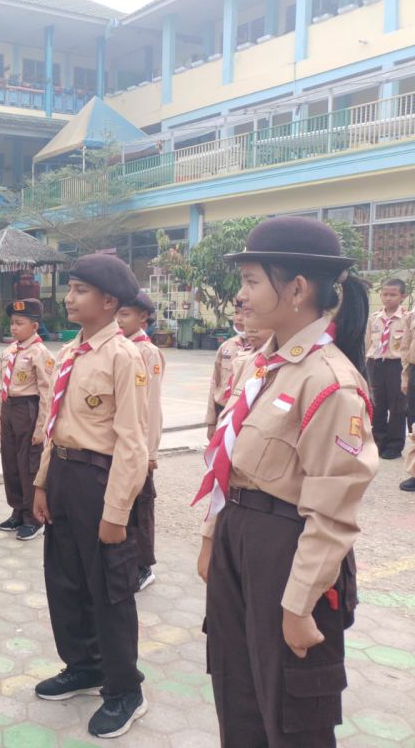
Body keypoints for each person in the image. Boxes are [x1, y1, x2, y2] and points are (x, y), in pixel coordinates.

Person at [193, 216, 377, 748]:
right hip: (240, 534)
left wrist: (299, 604)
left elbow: (332, 510)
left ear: (296, 289)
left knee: (292, 712)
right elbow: (229, 459)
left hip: (288, 551)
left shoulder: (330, 381)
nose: (240, 296)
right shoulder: (260, 365)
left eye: (251, 281)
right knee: (237, 691)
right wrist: (212, 536)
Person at [31, 254, 149, 739]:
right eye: (70, 288)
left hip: (99, 481)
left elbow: (133, 443)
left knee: (109, 589)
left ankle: (125, 689)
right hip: (63, 474)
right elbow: (55, 423)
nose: (69, 297)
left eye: (80, 290)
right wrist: (42, 482)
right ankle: (84, 665)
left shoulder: (124, 356)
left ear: (109, 301)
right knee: (65, 580)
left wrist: (117, 511)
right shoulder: (69, 352)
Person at [116, 291, 164, 592]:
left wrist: (150, 451)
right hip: (119, 442)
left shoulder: (147, 352)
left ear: (142, 317)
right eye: (116, 314)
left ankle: (143, 566)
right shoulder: (119, 348)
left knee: (140, 506)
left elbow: (152, 405)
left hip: (139, 444)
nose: (118, 321)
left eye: (125, 315)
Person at [0, 298, 54, 541]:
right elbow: (3, 387)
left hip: (28, 410)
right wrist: (1, 418)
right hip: (10, 409)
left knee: (28, 464)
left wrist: (42, 427)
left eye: (19, 323)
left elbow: (47, 392)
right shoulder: (10, 351)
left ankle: (34, 518)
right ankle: (18, 510)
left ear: (34, 326)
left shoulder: (40, 353)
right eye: (12, 323)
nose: (14, 328)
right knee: (10, 463)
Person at [365, 278, 408, 459]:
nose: (388, 298)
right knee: (377, 404)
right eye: (384, 294)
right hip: (375, 364)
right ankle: (378, 442)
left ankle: (394, 445)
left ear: (403, 296)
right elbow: (368, 343)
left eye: (393, 295)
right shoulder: (374, 318)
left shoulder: (407, 318)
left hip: (396, 365)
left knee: (397, 405)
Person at [206, 300, 248, 440]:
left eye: (245, 313)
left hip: (244, 418)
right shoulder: (227, 346)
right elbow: (215, 384)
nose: (239, 318)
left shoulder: (263, 349)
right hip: (223, 414)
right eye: (236, 312)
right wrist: (211, 421)